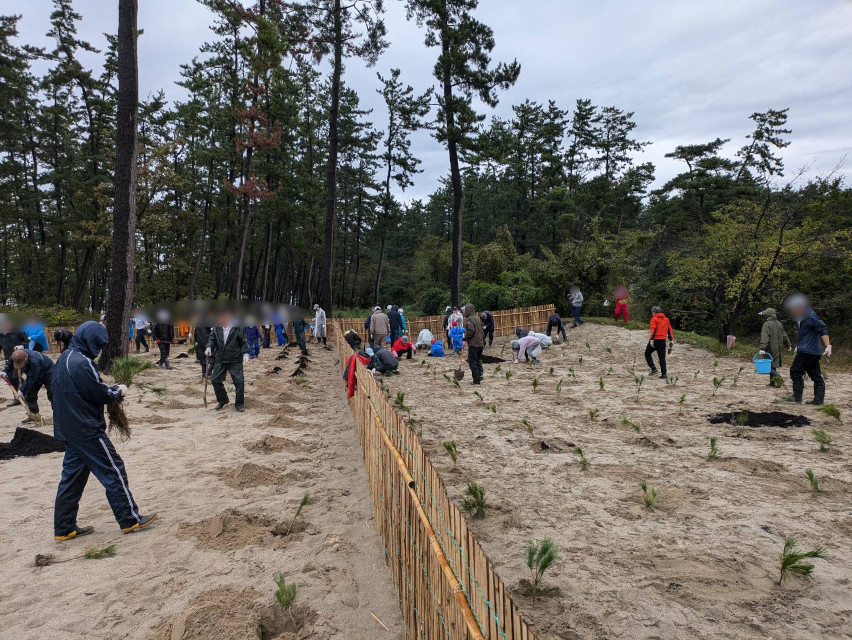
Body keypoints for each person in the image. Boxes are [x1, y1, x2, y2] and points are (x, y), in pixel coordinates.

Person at [52, 321, 156, 541]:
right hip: (86, 430)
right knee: (113, 470)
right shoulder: (81, 362)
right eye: (97, 346)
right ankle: (130, 519)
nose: (98, 351)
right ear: (89, 341)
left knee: (72, 478)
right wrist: (117, 391)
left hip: (68, 428)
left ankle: (63, 528)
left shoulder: (64, 359)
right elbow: (98, 393)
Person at [787, 299, 831, 405]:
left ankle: (796, 398)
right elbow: (806, 334)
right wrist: (799, 345)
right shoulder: (801, 317)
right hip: (812, 351)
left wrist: (828, 346)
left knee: (795, 371)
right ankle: (818, 401)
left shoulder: (811, 316)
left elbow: (823, 329)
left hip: (808, 351)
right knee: (815, 374)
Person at [206, 314, 249, 412]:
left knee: (239, 381)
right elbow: (211, 340)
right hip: (220, 358)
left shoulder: (237, 328)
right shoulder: (216, 329)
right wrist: (209, 347)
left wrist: (246, 353)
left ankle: (239, 403)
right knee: (215, 379)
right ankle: (222, 400)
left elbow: (244, 341)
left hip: (235, 358)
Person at [2, 348, 53, 421]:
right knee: (29, 394)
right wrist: (5, 371)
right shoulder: (15, 355)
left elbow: (31, 378)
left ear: (26, 359)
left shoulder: (35, 361)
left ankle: (58, 415)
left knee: (52, 393)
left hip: (48, 372)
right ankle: (34, 415)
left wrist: (22, 390)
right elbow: (9, 362)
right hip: (33, 373)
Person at [757, 308, 791, 386]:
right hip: (778, 348)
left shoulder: (766, 324)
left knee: (768, 366)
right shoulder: (779, 324)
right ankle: (773, 382)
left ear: (767, 315)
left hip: (770, 348)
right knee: (773, 365)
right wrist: (788, 345)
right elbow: (785, 335)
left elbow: (765, 336)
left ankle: (779, 379)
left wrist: (762, 348)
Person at [645, 306, 674, 379]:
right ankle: (664, 374)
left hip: (655, 340)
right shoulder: (666, 319)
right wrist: (671, 339)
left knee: (647, 353)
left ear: (654, 312)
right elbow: (669, 330)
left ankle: (653, 368)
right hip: (662, 341)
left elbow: (653, 330)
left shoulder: (654, 319)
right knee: (662, 358)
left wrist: (651, 339)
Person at [464, 303, 485, 385]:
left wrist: (466, 337)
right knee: (478, 361)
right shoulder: (478, 318)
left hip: (474, 344)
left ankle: (476, 380)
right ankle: (480, 375)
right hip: (480, 343)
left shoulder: (470, 319)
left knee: (472, 362)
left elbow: (471, 331)